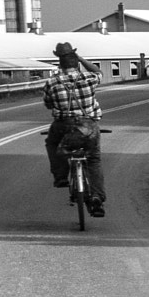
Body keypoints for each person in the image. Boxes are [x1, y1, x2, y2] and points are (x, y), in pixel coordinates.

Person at [42, 41, 106, 217]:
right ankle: (97, 198)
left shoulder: (51, 82)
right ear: (76, 62)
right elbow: (99, 72)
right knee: (94, 159)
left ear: (60, 64)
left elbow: (48, 104)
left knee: (51, 143)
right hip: (89, 126)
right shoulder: (89, 79)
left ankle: (61, 176)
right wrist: (81, 59)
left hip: (64, 126)